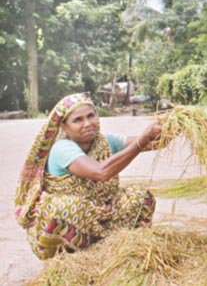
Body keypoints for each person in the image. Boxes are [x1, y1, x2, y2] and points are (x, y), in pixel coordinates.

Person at [14, 93, 161, 260]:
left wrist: (171, 127)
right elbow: (101, 172)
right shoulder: (62, 148)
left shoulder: (103, 141)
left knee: (140, 196)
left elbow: (151, 143)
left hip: (100, 213)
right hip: (71, 221)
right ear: (64, 127)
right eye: (78, 120)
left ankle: (126, 250)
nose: (87, 124)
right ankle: (78, 259)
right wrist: (142, 140)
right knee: (69, 207)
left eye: (91, 116)